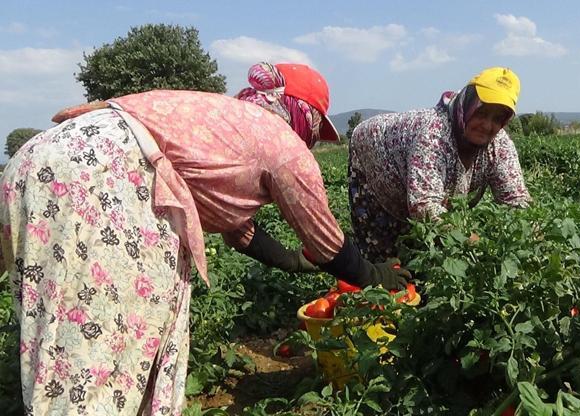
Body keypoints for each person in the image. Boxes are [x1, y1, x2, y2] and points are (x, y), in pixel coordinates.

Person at [0, 62, 409, 415]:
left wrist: (289, 259)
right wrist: (374, 275)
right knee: (104, 346)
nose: (314, 140)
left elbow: (238, 230)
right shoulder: (283, 144)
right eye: (316, 128)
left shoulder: (224, 121)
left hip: (37, 159)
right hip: (107, 176)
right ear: (301, 114)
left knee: (59, 317)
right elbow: (327, 243)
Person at [347, 67, 531, 262]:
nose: (487, 125)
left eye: (497, 119)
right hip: (374, 149)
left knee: (429, 244)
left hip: (410, 161)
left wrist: (531, 230)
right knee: (381, 245)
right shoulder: (434, 135)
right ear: (468, 104)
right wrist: (470, 239)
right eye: (482, 113)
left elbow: (515, 198)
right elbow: (424, 205)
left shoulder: (499, 145)